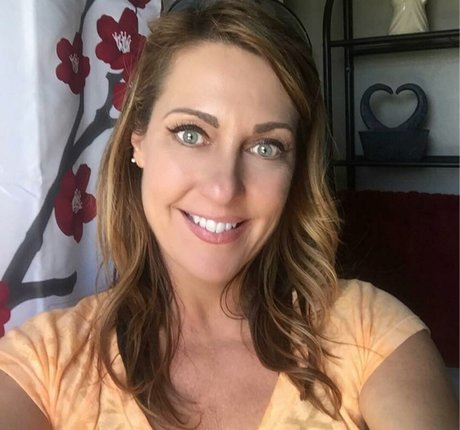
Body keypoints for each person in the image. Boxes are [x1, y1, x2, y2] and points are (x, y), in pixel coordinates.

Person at [0, 0, 457, 429]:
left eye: (266, 147)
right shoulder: (46, 362)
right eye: (191, 134)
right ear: (139, 142)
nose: (224, 189)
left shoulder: (368, 331)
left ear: (296, 170)